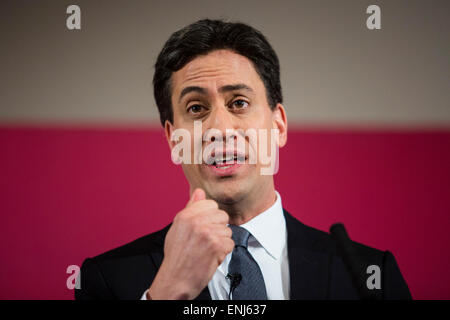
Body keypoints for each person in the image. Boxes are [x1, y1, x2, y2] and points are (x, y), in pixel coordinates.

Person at [75, 19, 411, 300]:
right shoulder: (107, 280)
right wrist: (165, 293)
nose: (219, 128)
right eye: (196, 108)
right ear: (172, 138)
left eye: (238, 102)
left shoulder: (369, 275)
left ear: (278, 124)